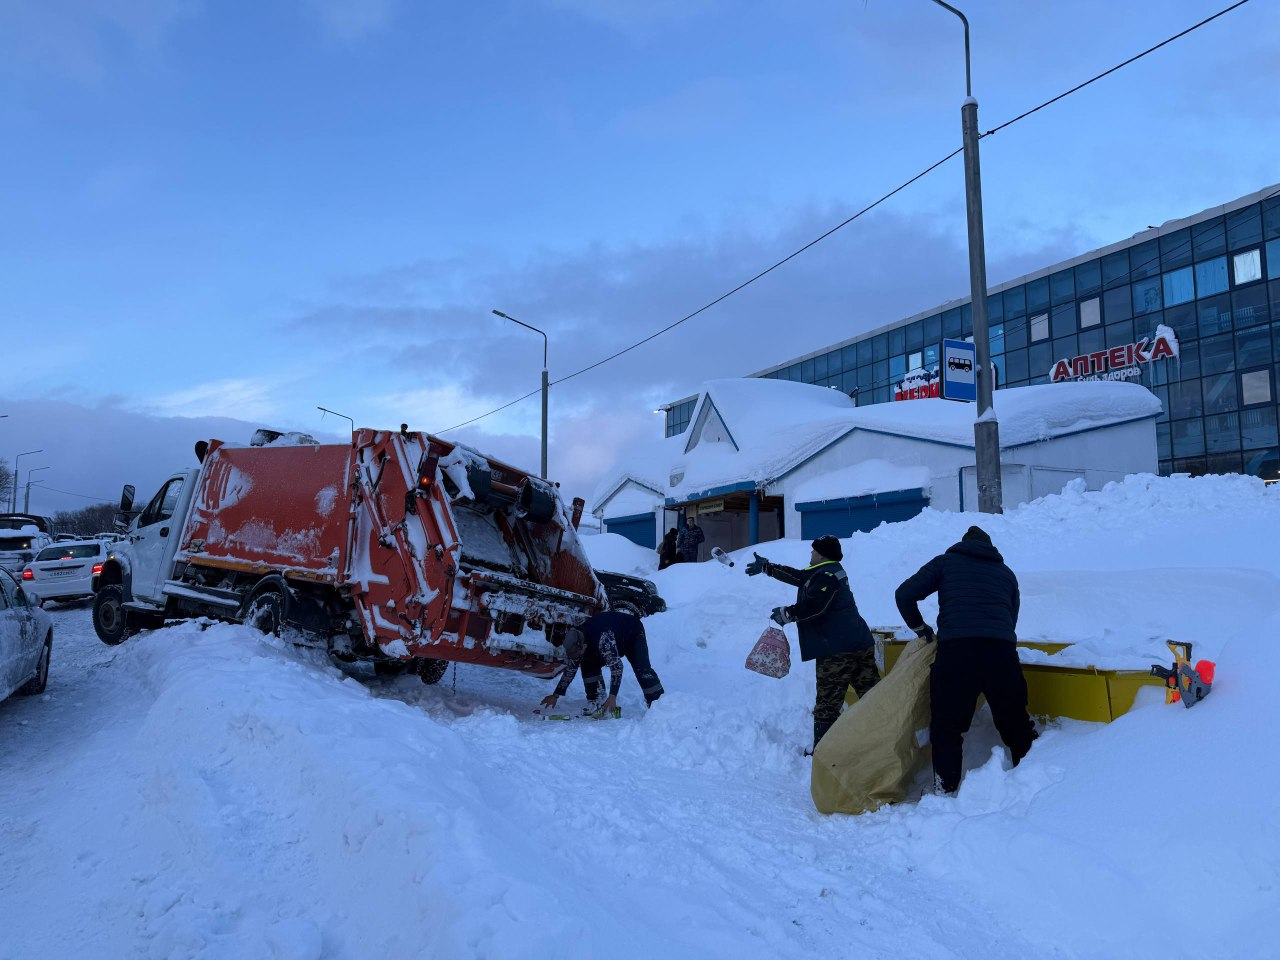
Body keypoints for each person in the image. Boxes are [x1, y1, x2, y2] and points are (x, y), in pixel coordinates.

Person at [894, 525, 1037, 796]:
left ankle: (945, 790)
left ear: (963, 544)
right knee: (1016, 723)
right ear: (990, 548)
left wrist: (920, 628)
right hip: (1001, 653)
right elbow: (1011, 619)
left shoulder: (945, 563)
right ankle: (1033, 785)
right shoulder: (1006, 574)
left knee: (946, 726)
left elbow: (904, 594)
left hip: (957, 653)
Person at [745, 535, 878, 752]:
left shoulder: (826, 576)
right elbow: (800, 577)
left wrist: (787, 613)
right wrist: (768, 568)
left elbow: (816, 606)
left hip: (837, 650)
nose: (811, 553)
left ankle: (825, 753)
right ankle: (882, 742)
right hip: (858, 642)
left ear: (822, 555)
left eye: (814, 550)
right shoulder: (826, 571)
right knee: (873, 696)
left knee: (828, 703)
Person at [540, 609, 664, 714]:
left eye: (578, 653)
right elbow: (571, 669)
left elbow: (617, 667)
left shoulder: (603, 639)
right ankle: (596, 699)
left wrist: (612, 696)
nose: (576, 657)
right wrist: (555, 695)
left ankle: (658, 703)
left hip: (632, 632)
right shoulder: (576, 639)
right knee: (587, 663)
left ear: (583, 646)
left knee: (642, 669)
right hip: (611, 635)